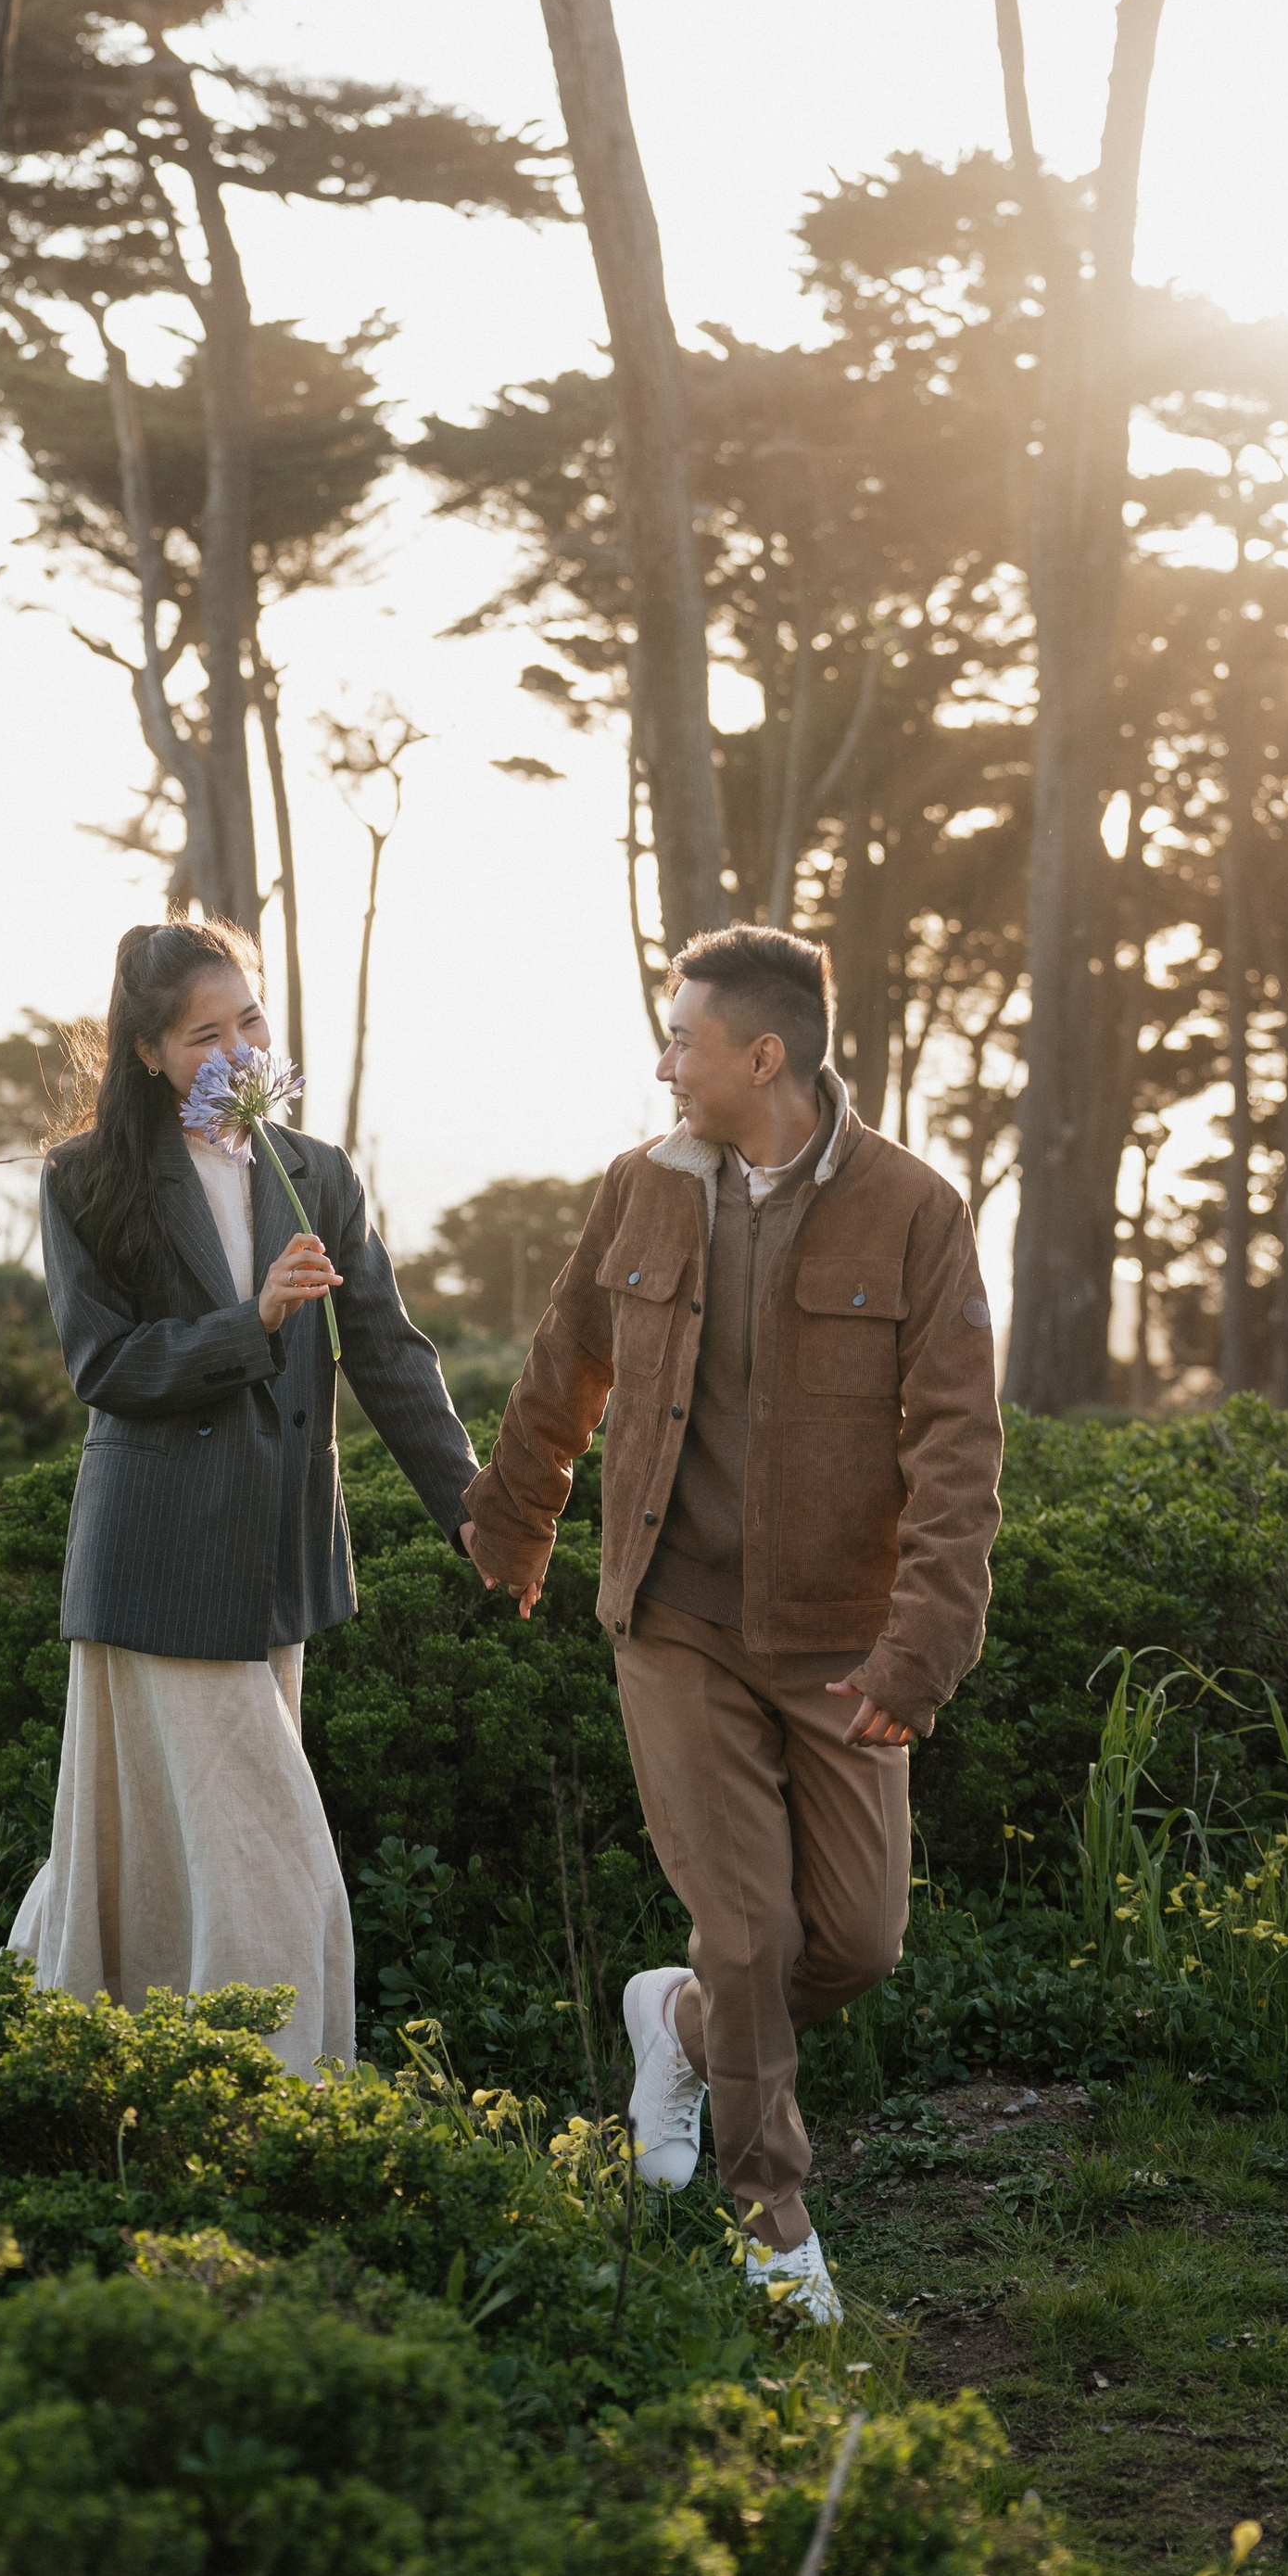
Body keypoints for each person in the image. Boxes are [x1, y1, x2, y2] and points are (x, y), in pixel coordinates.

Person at [461, 922, 1003, 2321]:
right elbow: (567, 1360)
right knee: (750, 1930)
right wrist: (515, 1524)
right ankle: (775, 2224)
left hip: (841, 1639)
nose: (664, 1064)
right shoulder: (642, 1188)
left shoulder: (916, 1211)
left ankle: (680, 2024)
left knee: (859, 1941)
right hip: (674, 1617)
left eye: (685, 1042)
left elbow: (958, 1449)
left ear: (764, 1057)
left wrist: (920, 1653)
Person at [15, 917, 479, 2076]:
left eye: (250, 1022)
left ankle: (139, 2064)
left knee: (198, 1852)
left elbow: (387, 1351)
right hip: (154, 1559)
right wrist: (254, 1322)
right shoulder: (84, 1180)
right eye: (202, 1035)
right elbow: (103, 1367)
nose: (235, 1051)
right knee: (266, 1849)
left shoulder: (314, 1169)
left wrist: (476, 1510)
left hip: (276, 1562)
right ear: (147, 1054)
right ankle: (284, 2087)